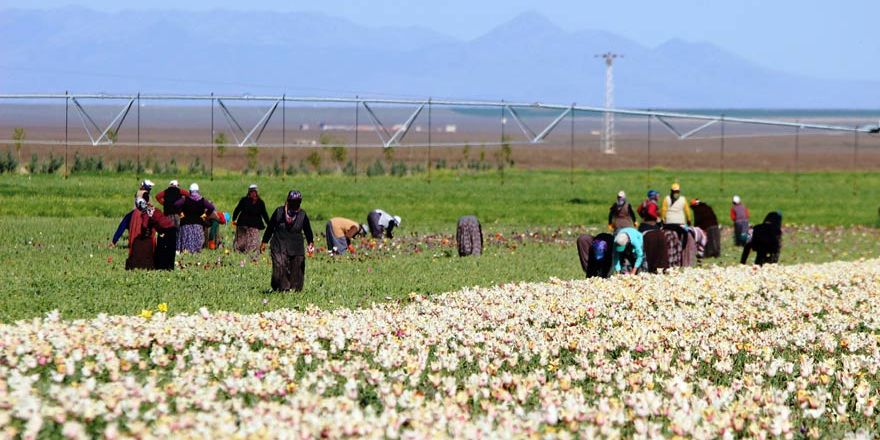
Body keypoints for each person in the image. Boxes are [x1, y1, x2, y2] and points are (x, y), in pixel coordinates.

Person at [261, 190, 315, 292]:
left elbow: (308, 230)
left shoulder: (302, 215)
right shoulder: (279, 212)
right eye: (293, 202)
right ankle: (281, 287)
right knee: (280, 265)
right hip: (279, 244)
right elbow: (270, 227)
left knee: (297, 267)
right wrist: (264, 241)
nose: (296, 204)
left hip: (296, 245)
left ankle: (295, 289)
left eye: (298, 202)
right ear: (288, 201)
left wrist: (310, 243)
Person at [125, 198, 174, 270]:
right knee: (169, 250)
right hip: (172, 227)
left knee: (161, 249)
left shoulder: (145, 212)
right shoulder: (152, 208)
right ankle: (169, 267)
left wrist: (143, 234)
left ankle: (162, 267)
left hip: (164, 230)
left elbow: (145, 225)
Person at [174, 183, 215, 253]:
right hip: (198, 225)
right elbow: (211, 207)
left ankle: (186, 251)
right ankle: (195, 251)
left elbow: (175, 205)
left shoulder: (185, 200)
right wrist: (205, 215)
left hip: (185, 225)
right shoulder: (202, 201)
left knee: (186, 241)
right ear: (198, 191)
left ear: (190, 191)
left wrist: (180, 213)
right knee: (197, 242)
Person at [232, 184, 270, 253]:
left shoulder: (260, 203)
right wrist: (234, 218)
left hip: (254, 225)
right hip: (243, 224)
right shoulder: (244, 200)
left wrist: (269, 224)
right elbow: (237, 209)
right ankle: (241, 254)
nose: (253, 193)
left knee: (253, 244)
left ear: (256, 193)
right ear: (249, 192)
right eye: (252, 192)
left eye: (254, 192)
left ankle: (249, 255)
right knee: (241, 244)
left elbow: (264, 214)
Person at [661, 182, 692, 249]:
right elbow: (687, 211)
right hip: (680, 223)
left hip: (669, 223)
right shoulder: (683, 199)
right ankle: (683, 248)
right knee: (684, 234)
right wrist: (689, 219)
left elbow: (664, 210)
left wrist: (663, 219)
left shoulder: (666, 199)